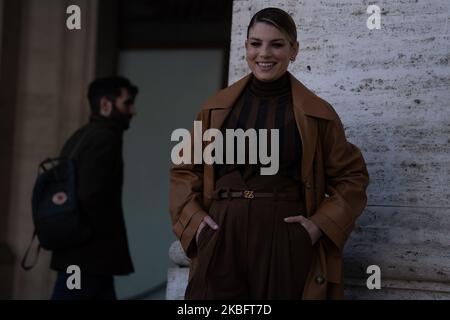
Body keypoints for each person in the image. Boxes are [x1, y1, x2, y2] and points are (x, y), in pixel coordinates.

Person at [169, 7, 369, 300]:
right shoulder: (214, 108)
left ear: (294, 50)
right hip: (221, 232)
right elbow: (184, 169)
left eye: (277, 44)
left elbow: (352, 177)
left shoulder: (318, 114)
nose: (264, 53)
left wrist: (317, 227)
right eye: (255, 44)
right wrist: (196, 222)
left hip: (285, 237)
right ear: (246, 47)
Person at [50, 76, 138, 300]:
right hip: (86, 258)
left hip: (83, 256)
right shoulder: (105, 138)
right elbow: (89, 196)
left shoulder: (80, 136)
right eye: (127, 103)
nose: (133, 110)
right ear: (106, 105)